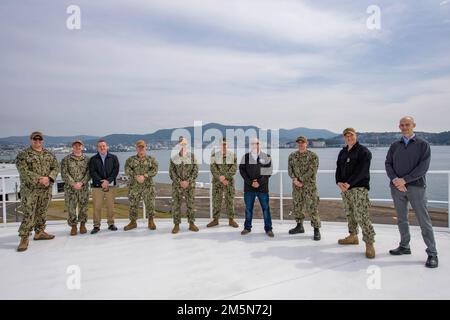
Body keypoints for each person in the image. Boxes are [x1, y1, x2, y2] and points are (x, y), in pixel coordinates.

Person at [385, 116, 438, 268]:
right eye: (402, 125)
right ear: (399, 127)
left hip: (416, 188)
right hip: (397, 188)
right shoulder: (395, 145)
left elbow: (423, 167)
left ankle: (432, 253)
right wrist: (396, 180)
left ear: (413, 125)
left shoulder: (423, 145)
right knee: (402, 219)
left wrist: (405, 180)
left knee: (424, 221)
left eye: (407, 124)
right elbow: (388, 163)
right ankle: (404, 246)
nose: (404, 127)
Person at [335, 128, 376, 259]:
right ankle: (353, 236)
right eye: (346, 136)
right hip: (345, 189)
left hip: (359, 188)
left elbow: (363, 171)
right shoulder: (342, 152)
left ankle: (369, 243)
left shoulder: (363, 151)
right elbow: (338, 168)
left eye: (351, 135)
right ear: (344, 138)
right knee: (350, 213)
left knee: (361, 215)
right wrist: (338, 182)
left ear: (355, 136)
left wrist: (349, 183)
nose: (349, 138)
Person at [16, 131, 59, 252]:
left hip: (45, 189)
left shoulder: (49, 154)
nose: (37, 142)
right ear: (31, 140)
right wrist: (40, 179)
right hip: (30, 190)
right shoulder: (23, 155)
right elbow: (23, 172)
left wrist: (49, 178)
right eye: (35, 140)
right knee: (29, 213)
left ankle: (39, 232)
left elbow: (55, 167)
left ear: (42, 141)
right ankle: (24, 237)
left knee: (42, 211)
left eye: (40, 140)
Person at [239, 137, 274, 237]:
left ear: (260, 144)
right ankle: (247, 227)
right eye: (253, 143)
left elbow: (268, 172)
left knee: (266, 208)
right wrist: (251, 182)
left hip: (262, 188)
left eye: (257, 143)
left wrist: (258, 182)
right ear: (251, 145)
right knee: (248, 209)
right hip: (249, 188)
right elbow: (242, 171)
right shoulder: (245, 157)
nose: (255, 145)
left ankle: (268, 229)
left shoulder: (266, 157)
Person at [288, 136, 321, 241]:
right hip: (296, 187)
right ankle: (299, 226)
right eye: (299, 142)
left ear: (307, 143)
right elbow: (290, 170)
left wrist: (301, 180)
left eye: (303, 142)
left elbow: (312, 171)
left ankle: (316, 229)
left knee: (312, 208)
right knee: (297, 206)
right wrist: (295, 180)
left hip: (309, 187)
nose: (301, 144)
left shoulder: (313, 156)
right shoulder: (292, 156)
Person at [124, 140, 159, 231]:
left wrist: (145, 176)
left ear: (145, 147)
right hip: (134, 186)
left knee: (150, 204)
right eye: (139, 147)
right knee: (133, 205)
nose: (141, 149)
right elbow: (127, 170)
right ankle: (133, 222)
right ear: (136, 148)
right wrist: (136, 176)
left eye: (142, 147)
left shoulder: (151, 159)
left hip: (148, 186)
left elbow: (154, 170)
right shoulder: (130, 160)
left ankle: (151, 221)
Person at [169, 137, 199, 234]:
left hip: (189, 186)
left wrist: (188, 181)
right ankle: (176, 225)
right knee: (176, 205)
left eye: (184, 144)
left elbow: (195, 171)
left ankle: (191, 224)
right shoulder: (174, 158)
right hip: (177, 186)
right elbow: (171, 172)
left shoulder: (192, 157)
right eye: (181, 144)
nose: (183, 146)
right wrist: (180, 182)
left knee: (190, 204)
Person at [88, 139, 120, 234]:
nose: (102, 147)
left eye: (103, 146)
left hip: (110, 186)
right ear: (97, 148)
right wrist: (101, 181)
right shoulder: (93, 159)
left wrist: (108, 180)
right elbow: (92, 172)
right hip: (97, 186)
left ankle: (111, 224)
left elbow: (116, 170)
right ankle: (96, 226)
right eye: (100, 146)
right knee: (97, 207)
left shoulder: (114, 157)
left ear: (107, 147)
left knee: (111, 206)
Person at [207, 138, 239, 228]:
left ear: (227, 145)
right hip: (217, 182)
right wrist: (220, 178)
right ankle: (215, 220)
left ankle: (231, 220)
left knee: (230, 200)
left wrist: (225, 177)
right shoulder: (214, 156)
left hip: (229, 182)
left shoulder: (233, 156)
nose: (224, 146)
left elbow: (234, 168)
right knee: (216, 201)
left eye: (225, 144)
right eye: (222, 144)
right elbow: (213, 168)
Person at [61, 139, 90, 236]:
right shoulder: (66, 159)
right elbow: (64, 173)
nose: (77, 147)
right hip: (71, 189)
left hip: (83, 188)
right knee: (71, 208)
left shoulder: (87, 159)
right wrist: (73, 183)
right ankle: (73, 226)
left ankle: (82, 224)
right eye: (75, 145)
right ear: (72, 147)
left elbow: (89, 173)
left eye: (79, 145)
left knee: (83, 207)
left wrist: (81, 183)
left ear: (82, 147)